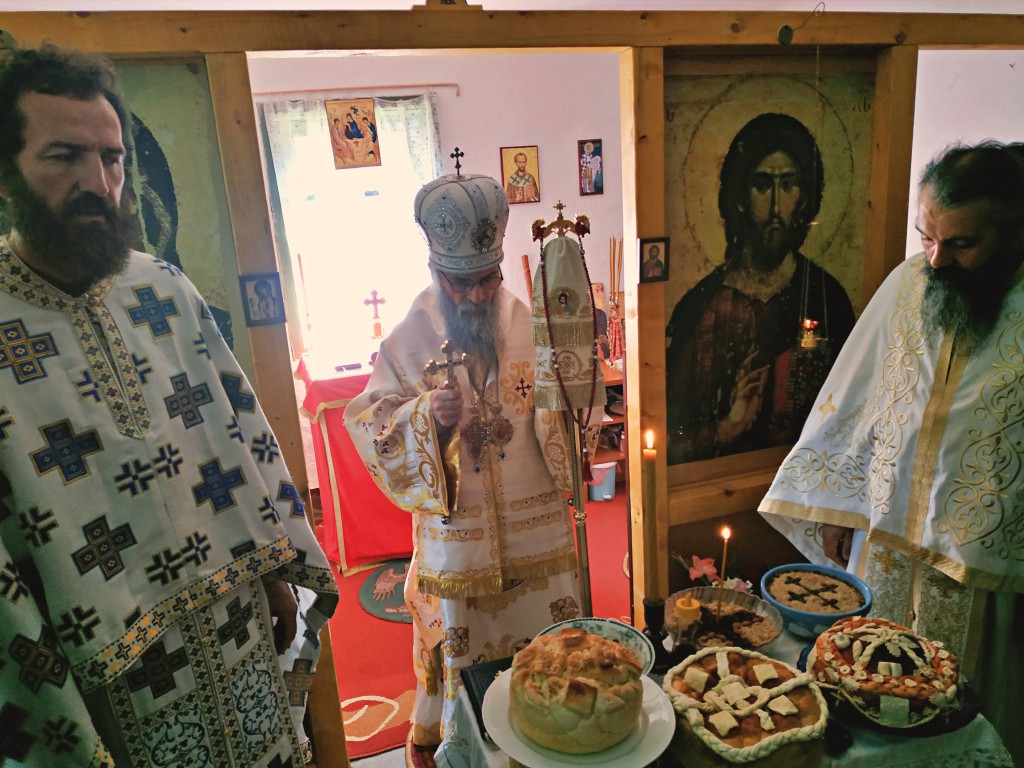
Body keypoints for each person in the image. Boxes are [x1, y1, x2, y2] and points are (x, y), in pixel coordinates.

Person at [0, 43, 338, 767]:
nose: (99, 183)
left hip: (236, 631)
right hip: (107, 673)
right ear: (8, 169)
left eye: (112, 158)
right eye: (64, 157)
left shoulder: (163, 289)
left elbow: (234, 437)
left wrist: (275, 571)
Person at [759, 141, 1024, 764]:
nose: (936, 259)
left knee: (961, 721)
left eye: (962, 244)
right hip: (882, 545)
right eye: (926, 237)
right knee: (863, 698)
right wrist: (835, 506)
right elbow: (857, 398)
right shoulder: (908, 284)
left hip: (979, 569)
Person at [344, 171, 581, 759]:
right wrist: (425, 416)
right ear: (435, 272)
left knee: (548, 651)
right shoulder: (410, 336)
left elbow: (570, 411)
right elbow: (368, 420)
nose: (476, 296)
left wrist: (569, 386)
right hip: (459, 540)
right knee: (467, 656)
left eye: (486, 279)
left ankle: (556, 735)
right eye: (460, 284)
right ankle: (468, 749)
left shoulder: (528, 321)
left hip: (536, 531)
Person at [664, 112, 856, 464]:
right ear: (740, 197)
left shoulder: (828, 298)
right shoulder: (699, 308)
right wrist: (727, 428)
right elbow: (670, 438)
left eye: (789, 185)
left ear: (805, 198)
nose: (776, 207)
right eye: (763, 186)